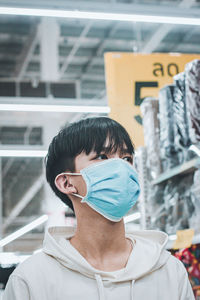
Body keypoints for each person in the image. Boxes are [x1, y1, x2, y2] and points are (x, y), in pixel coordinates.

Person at [3, 117, 194, 300]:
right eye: (102, 156)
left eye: (127, 158)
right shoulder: (31, 280)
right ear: (67, 182)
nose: (121, 167)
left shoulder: (169, 270)